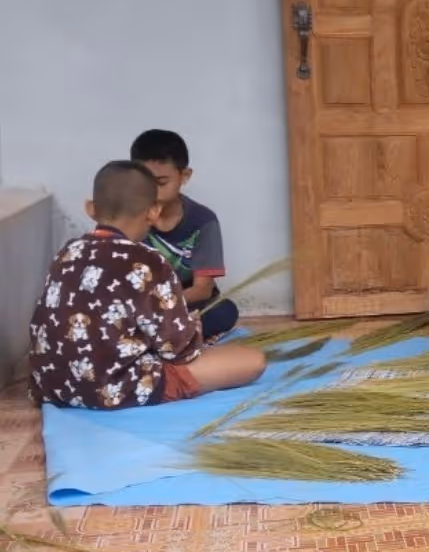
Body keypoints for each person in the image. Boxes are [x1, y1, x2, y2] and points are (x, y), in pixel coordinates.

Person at [29, 161, 265, 409]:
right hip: (113, 388)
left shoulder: (67, 252)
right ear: (154, 212)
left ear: (90, 208)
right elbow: (178, 351)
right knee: (252, 360)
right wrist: (192, 328)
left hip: (50, 385)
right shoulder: (149, 261)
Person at [129, 130, 237, 341]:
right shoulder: (129, 216)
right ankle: (171, 339)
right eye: (144, 182)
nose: (152, 190)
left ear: (184, 176)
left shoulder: (203, 221)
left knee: (224, 312)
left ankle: (157, 339)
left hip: (186, 306)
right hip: (140, 308)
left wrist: (157, 307)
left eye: (161, 182)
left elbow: (202, 291)